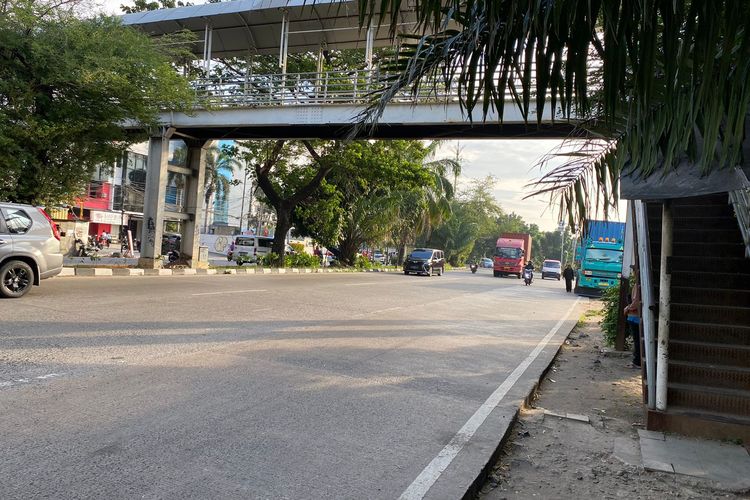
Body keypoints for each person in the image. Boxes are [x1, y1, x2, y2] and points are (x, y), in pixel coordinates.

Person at [623, 265, 642, 368]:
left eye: (634, 271)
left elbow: (636, 302)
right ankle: (637, 360)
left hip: (634, 316)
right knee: (637, 340)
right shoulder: (638, 284)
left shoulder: (638, 285)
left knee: (637, 340)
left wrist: (627, 308)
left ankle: (637, 362)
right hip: (634, 316)